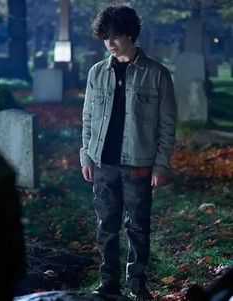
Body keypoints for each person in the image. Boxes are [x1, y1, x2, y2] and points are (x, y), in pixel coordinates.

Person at [80, 3, 176, 301]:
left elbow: (167, 124)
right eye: (105, 35)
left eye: (116, 35)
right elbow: (87, 118)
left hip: (139, 163)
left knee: (138, 227)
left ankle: (137, 284)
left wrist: (161, 165)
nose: (109, 42)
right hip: (103, 163)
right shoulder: (97, 73)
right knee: (105, 226)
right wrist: (86, 154)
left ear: (130, 34)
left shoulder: (157, 74)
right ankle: (108, 283)